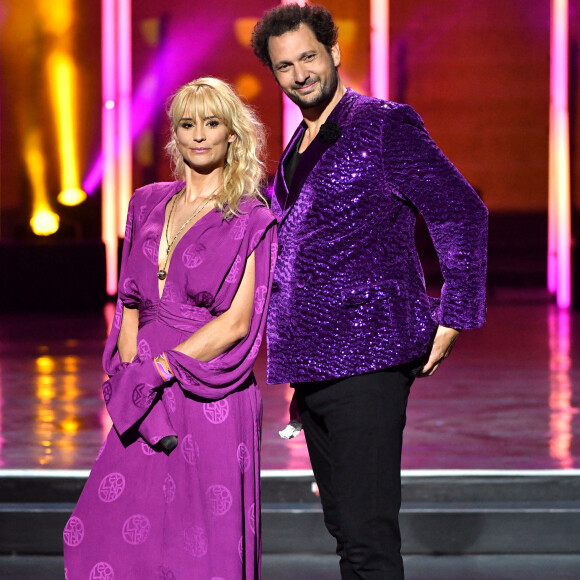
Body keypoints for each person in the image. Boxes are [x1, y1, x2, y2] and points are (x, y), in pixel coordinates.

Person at [251, 4, 488, 579]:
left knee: (366, 537)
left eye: (308, 56)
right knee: (345, 531)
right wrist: (300, 378)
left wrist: (453, 314)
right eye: (285, 66)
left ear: (334, 54)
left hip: (371, 358)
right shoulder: (294, 150)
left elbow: (461, 212)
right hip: (315, 370)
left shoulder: (382, 125)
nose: (300, 73)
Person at [63, 77, 277, 579]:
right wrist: (134, 376)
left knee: (203, 544)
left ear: (233, 135)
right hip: (143, 390)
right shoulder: (145, 203)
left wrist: (161, 368)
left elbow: (237, 322)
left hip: (210, 391)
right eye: (187, 124)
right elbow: (131, 302)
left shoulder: (251, 217)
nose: (199, 135)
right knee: (94, 531)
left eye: (211, 123)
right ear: (174, 136)